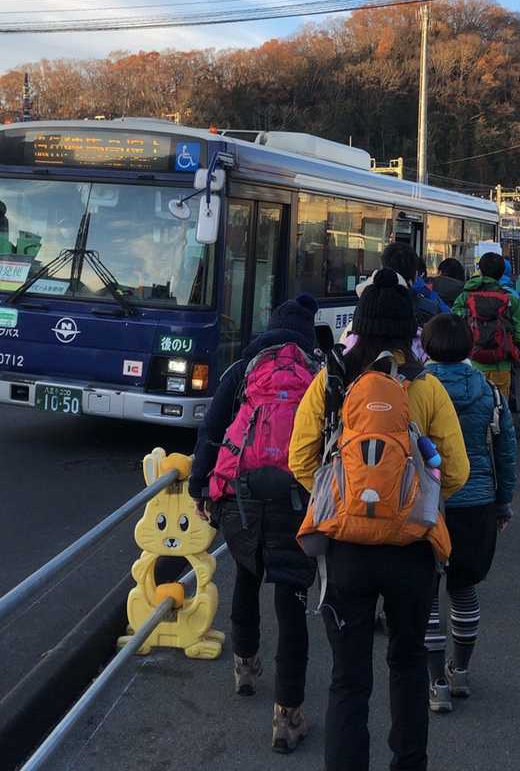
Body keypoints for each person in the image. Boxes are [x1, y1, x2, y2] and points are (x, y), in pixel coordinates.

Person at [289, 269, 470, 771]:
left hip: (346, 550)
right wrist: (416, 499)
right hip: (412, 550)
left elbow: (300, 457)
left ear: (360, 324)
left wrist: (342, 497)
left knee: (348, 679)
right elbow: (457, 470)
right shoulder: (424, 386)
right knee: (408, 665)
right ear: (410, 329)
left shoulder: (332, 380)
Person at [190, 295, 321, 753]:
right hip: (296, 499)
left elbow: (211, 431)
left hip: (240, 497)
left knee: (246, 574)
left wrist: (200, 487)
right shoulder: (320, 373)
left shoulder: (243, 369)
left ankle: (245, 666)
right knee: (291, 601)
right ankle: (288, 715)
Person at [419, 312, 516, 713]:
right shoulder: (488, 391)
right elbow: (505, 450)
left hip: (426, 504)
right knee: (463, 589)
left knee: (426, 596)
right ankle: (460, 671)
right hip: (476, 502)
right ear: (470, 345)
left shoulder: (415, 389)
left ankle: (436, 683)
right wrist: (503, 501)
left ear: (425, 345)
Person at [451, 252, 520, 402]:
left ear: (480, 270)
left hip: (472, 362)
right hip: (501, 364)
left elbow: (455, 322)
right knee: (500, 406)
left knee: (474, 405)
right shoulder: (510, 298)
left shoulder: (466, 297)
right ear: (502, 274)